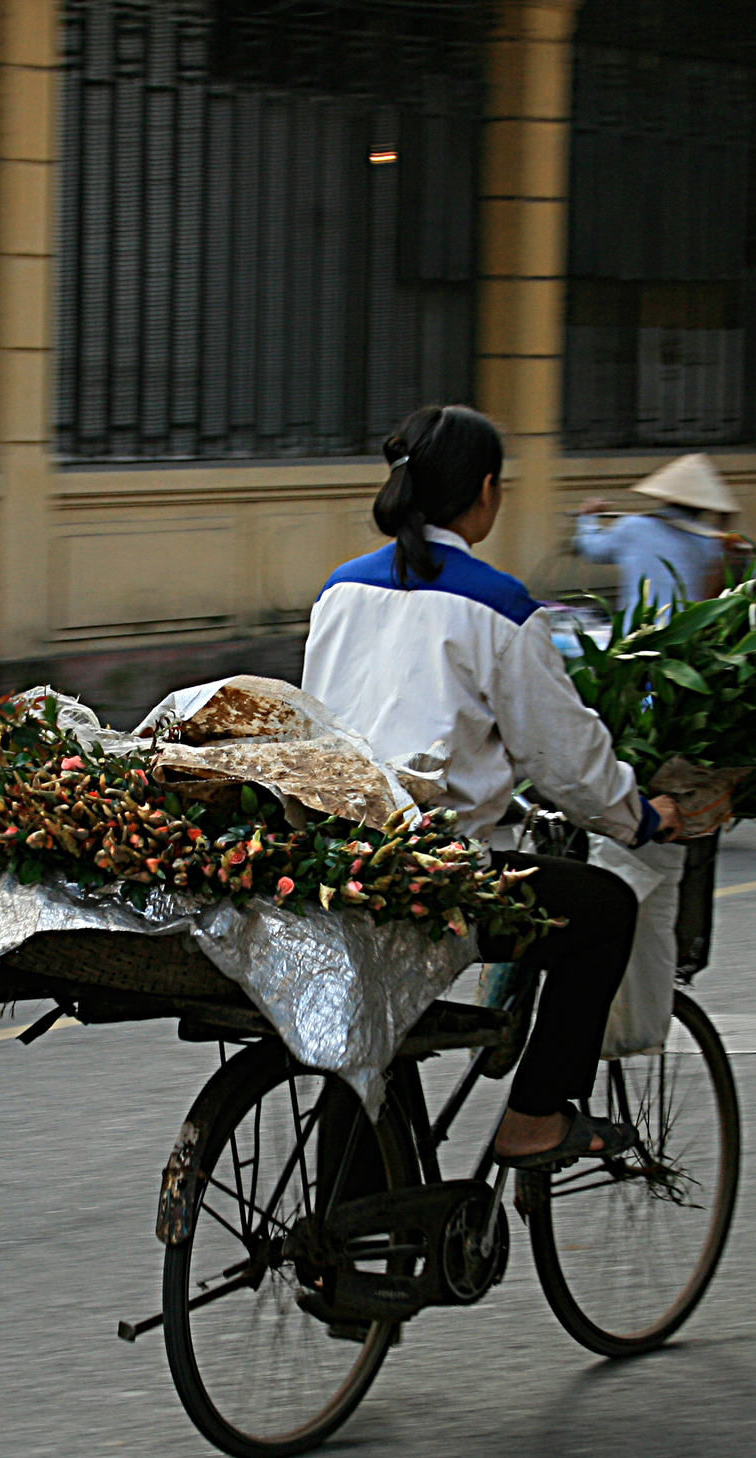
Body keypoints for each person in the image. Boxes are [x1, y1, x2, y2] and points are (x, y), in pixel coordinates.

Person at [302, 405, 681, 1167]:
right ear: (484, 492)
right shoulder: (500, 606)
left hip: (331, 862)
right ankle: (535, 1116)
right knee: (604, 911)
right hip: (439, 874)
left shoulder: (339, 591)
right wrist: (637, 815)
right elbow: (566, 761)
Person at [571, 452, 739, 614]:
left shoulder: (634, 526)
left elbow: (592, 549)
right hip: (686, 631)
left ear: (667, 498)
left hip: (638, 631)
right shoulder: (710, 542)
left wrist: (588, 519)